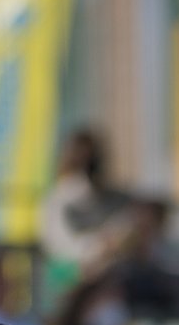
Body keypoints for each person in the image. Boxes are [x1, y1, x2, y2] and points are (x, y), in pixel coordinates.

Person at [38, 127, 130, 298]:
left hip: (91, 277)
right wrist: (99, 247)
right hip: (70, 276)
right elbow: (58, 248)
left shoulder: (107, 199)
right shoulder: (65, 195)